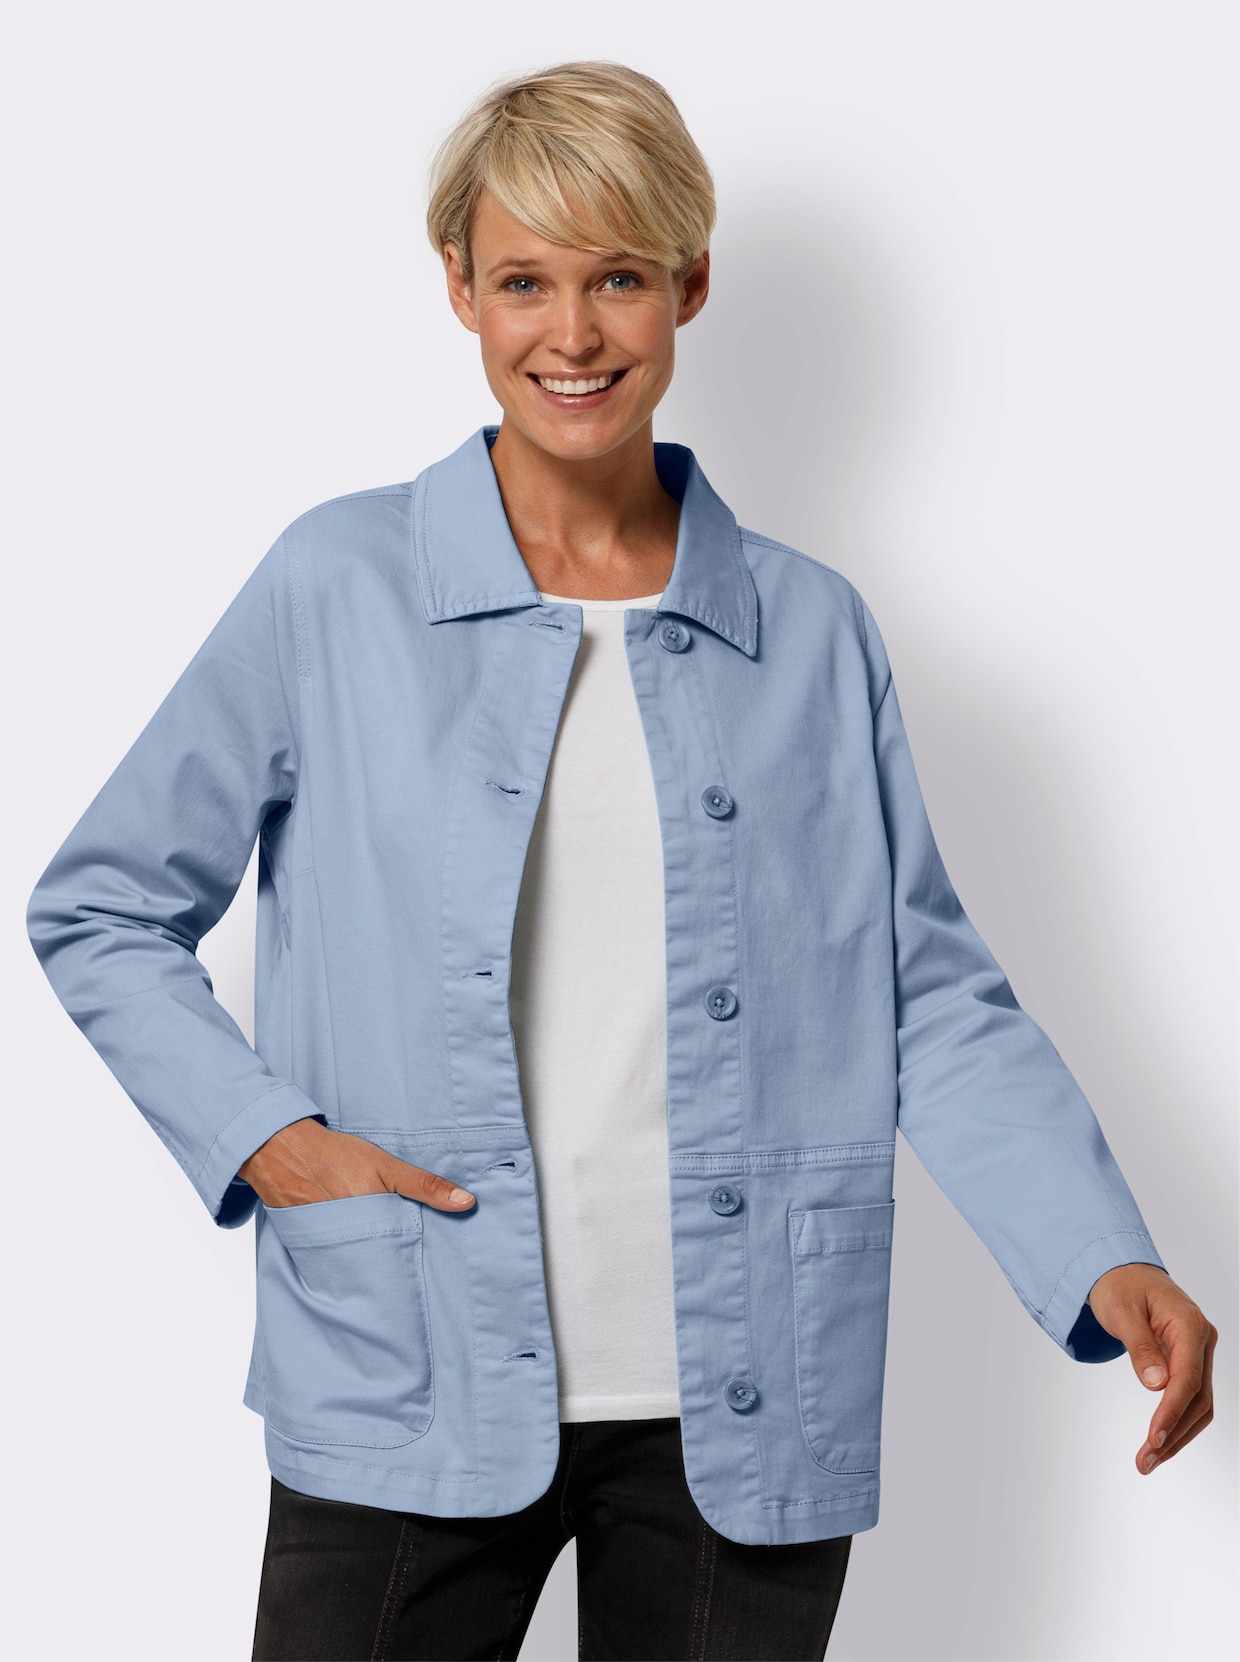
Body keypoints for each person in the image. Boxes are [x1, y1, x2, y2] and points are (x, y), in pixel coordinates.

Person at [26, 59, 1216, 1662]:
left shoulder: (809, 628)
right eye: (525, 280)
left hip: (747, 1385)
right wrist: (272, 1142)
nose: (573, 333)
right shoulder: (336, 586)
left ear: (690, 286)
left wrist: (1098, 1246)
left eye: (619, 279)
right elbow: (101, 903)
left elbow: (922, 989)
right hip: (408, 1362)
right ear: (459, 286)